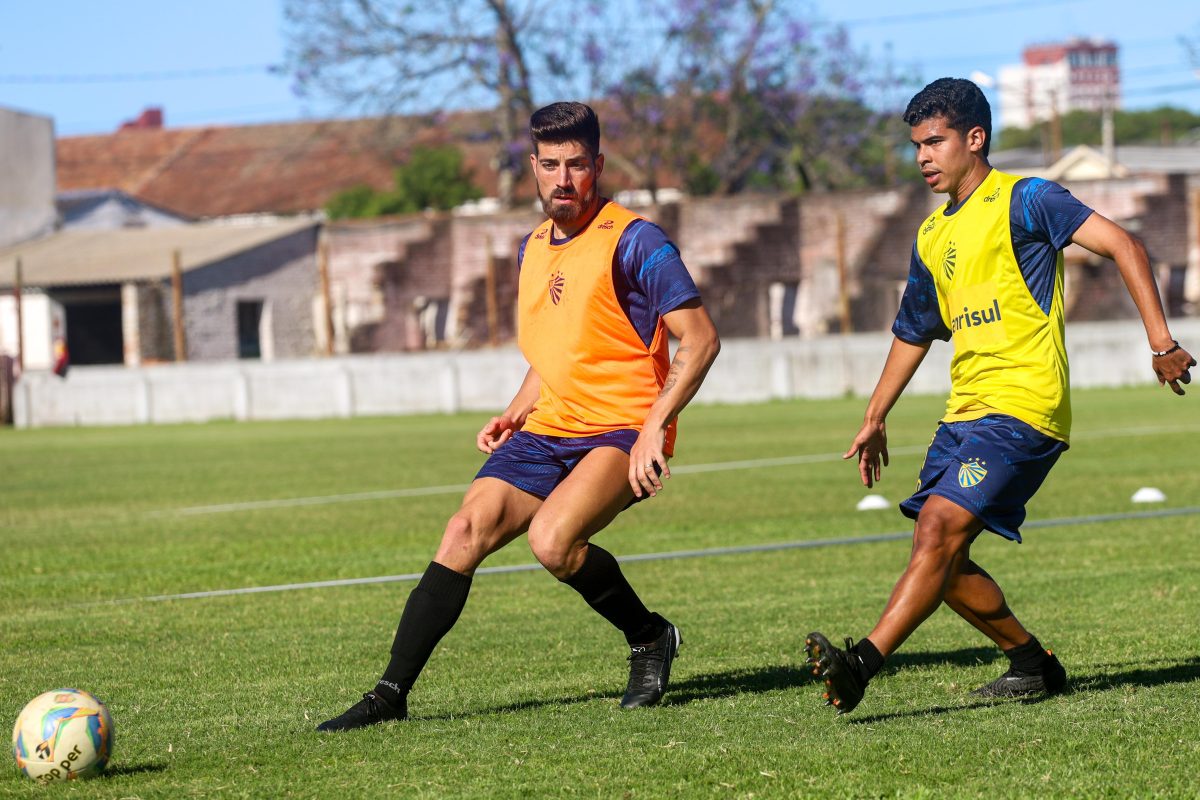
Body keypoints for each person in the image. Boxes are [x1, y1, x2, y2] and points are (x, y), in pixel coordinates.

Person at [318, 101, 720, 731]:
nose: (565, 179)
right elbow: (560, 347)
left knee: (553, 543)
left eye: (578, 165)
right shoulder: (530, 247)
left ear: (598, 166)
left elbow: (699, 339)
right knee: (461, 532)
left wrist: (652, 429)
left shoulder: (636, 241)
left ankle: (649, 637)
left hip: (619, 430)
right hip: (548, 427)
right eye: (552, 164)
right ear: (533, 167)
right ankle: (389, 696)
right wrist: (516, 408)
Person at [805, 78, 1195, 714]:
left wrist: (1160, 342)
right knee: (943, 562)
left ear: (975, 139)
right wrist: (875, 416)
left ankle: (861, 664)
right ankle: (1031, 664)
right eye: (916, 146)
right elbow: (913, 332)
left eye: (935, 142)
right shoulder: (932, 236)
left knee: (938, 530)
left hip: (1025, 407)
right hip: (964, 413)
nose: (923, 157)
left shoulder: (1028, 200)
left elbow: (1124, 243)